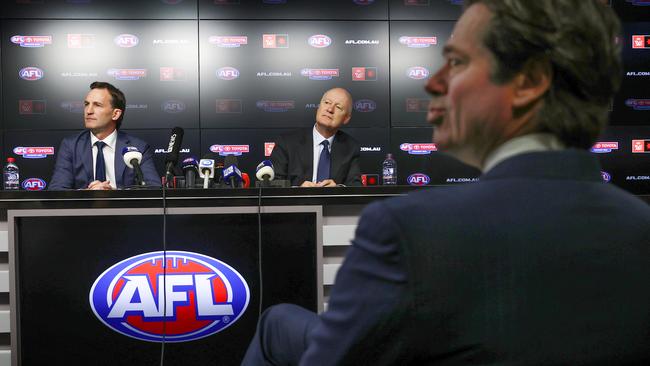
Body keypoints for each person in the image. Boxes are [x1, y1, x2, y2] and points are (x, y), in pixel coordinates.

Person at [242, 1, 650, 365]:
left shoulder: (405, 230)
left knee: (277, 322)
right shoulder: (640, 228)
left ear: (528, 82)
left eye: (456, 63)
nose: (433, 83)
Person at [49, 82, 161, 190]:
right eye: (87, 104)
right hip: (85, 209)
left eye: (97, 105)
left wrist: (114, 194)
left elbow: (154, 189)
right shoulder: (71, 146)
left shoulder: (138, 147)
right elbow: (57, 190)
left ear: (115, 114)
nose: (88, 111)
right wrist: (88, 194)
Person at [271, 87, 361, 187]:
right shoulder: (286, 142)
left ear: (346, 118)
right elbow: (273, 184)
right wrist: (297, 191)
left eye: (338, 107)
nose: (330, 109)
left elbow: (355, 186)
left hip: (332, 202)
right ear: (319, 107)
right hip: (297, 202)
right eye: (326, 102)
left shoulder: (351, 147)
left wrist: (337, 189)